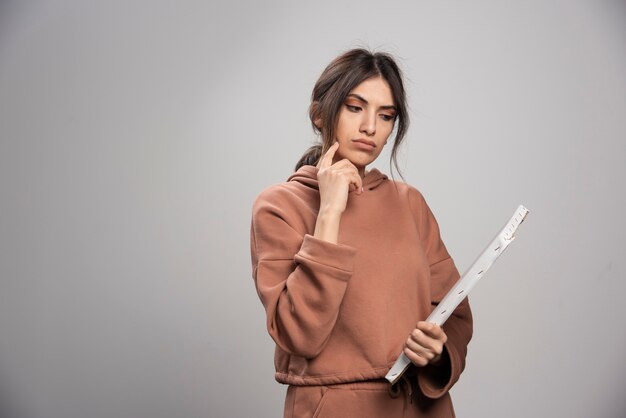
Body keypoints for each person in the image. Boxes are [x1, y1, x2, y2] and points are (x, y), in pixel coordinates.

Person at [250, 48, 473, 418]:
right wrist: (330, 213)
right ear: (320, 114)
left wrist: (438, 350)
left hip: (422, 406)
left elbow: (455, 312)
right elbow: (300, 335)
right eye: (355, 107)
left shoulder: (409, 203)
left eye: (386, 116)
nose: (371, 126)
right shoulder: (278, 206)